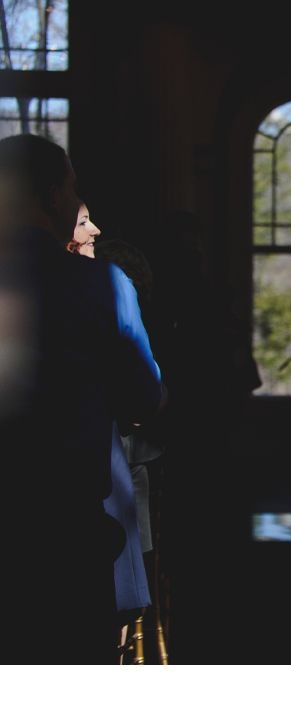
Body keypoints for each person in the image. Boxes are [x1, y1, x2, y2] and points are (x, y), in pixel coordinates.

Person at [0, 134, 163, 662]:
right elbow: (144, 397)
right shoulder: (103, 285)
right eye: (73, 188)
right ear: (52, 195)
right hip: (67, 532)